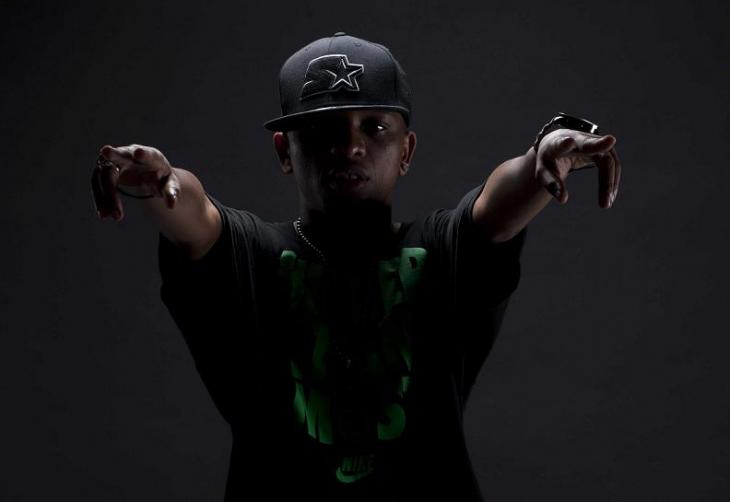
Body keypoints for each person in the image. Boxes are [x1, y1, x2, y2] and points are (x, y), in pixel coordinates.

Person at [90, 32, 621, 502]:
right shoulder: (251, 255)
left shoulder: (442, 251)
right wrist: (158, 186)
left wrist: (537, 159)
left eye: (375, 127)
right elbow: (195, 216)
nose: (350, 146)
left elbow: (496, 207)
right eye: (323, 129)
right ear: (284, 151)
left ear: (407, 150)